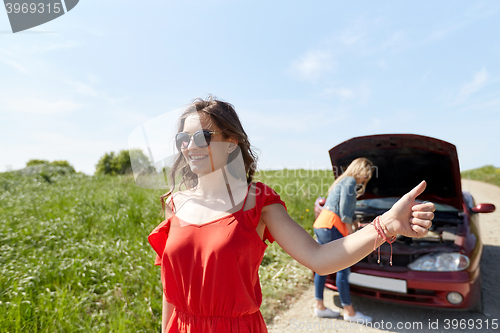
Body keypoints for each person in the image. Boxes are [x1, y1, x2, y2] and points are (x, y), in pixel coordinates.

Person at [147, 96, 435, 333]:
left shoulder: (257, 202)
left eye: (203, 136)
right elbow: (169, 291)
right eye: (183, 138)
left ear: (231, 142)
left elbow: (320, 260)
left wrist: (385, 224)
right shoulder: (175, 203)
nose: (190, 145)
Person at [312, 157, 374, 322]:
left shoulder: (343, 181)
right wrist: (352, 234)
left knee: (322, 266)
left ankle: (319, 306)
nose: (365, 179)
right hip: (332, 227)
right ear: (361, 171)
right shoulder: (350, 182)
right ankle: (349, 312)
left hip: (322, 225)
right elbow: (345, 213)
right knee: (343, 268)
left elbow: (348, 211)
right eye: (366, 175)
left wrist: (355, 223)